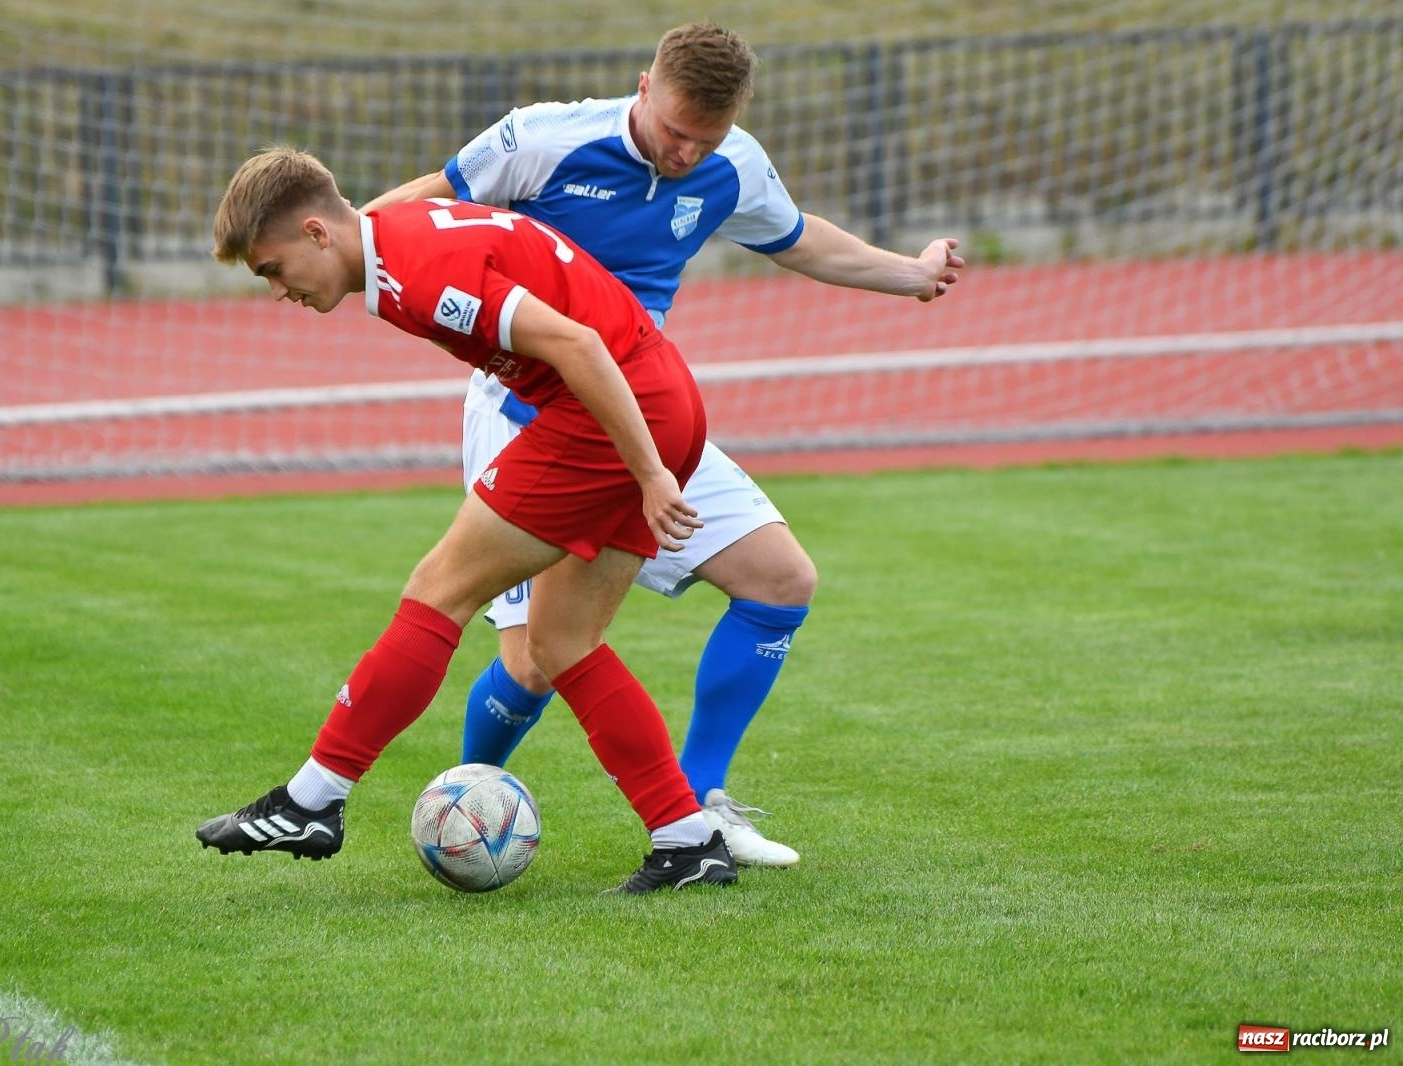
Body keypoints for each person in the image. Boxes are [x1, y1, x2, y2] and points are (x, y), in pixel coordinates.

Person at [361, 21, 963, 867]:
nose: (686, 153)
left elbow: (798, 237)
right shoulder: (544, 138)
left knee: (781, 580)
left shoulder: (733, 163)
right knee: (533, 662)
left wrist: (911, 272)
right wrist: (328, 246)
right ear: (644, 86)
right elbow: (417, 206)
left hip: (644, 419)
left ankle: (702, 802)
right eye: (675, 131)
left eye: (704, 139)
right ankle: (462, 808)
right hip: (524, 413)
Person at [196, 146, 739, 894]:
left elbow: (576, 343)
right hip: (658, 398)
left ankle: (312, 800)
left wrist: (647, 473)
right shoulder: (390, 236)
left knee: (440, 587)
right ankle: (686, 838)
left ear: (318, 234)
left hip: (612, 411)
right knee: (561, 640)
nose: (278, 290)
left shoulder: (419, 270)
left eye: (274, 269)